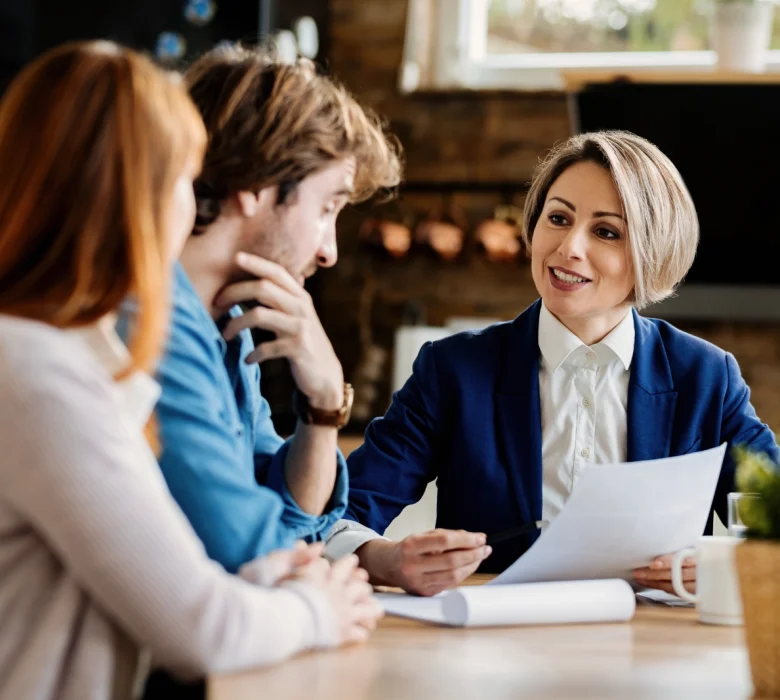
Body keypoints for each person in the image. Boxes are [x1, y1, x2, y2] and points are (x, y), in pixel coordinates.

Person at [0, 41, 381, 700]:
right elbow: (205, 618)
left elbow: (208, 568)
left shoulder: (56, 353)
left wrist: (291, 573)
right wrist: (317, 605)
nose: (191, 205)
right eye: (183, 176)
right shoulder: (42, 373)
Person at [326, 130, 780, 597]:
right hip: (494, 646)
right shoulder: (453, 370)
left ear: (653, 251)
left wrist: (721, 565)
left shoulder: (705, 376)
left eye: (605, 231)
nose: (569, 248)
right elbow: (339, 511)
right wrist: (387, 560)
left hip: (655, 649)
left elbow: (774, 513)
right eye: (558, 218)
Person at [120, 45, 402, 576]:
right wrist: (303, 568)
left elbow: (296, 525)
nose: (328, 251)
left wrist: (323, 405)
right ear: (255, 184)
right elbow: (248, 551)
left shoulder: (229, 324)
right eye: (326, 208)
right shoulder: (148, 320)